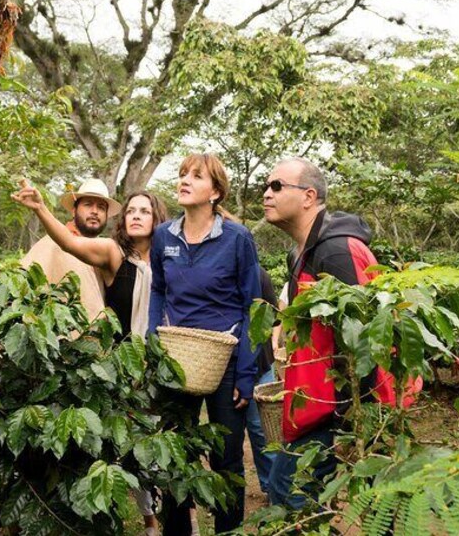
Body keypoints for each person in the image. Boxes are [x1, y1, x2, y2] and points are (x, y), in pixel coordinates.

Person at [12, 183, 168, 535]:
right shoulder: (112, 253)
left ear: (157, 219)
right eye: (131, 211)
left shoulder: (165, 260)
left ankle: (163, 518)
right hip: (112, 365)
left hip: (155, 363)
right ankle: (131, 519)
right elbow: (67, 245)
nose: (136, 216)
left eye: (144, 211)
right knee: (115, 442)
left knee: (153, 442)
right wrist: (40, 209)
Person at [148, 153, 262, 535]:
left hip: (224, 359)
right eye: (183, 174)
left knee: (226, 457)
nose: (184, 181)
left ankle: (228, 530)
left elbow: (252, 306)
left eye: (196, 176)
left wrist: (245, 372)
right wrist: (153, 339)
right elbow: (159, 290)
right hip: (177, 357)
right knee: (174, 453)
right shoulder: (163, 236)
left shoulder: (237, 238)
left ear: (215, 192)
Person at [262, 157, 382, 509]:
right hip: (319, 404)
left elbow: (363, 340)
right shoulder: (298, 253)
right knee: (292, 490)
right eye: (266, 186)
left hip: (350, 406)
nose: (266, 194)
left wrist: (353, 423)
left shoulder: (337, 250)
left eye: (277, 186)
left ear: (308, 196)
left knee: (374, 501)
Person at [18, 178, 120, 319]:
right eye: (88, 205)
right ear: (74, 211)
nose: (95, 211)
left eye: (101, 207)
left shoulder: (106, 251)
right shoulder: (52, 244)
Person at [245, 267, 279, 498]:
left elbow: (274, 316)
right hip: (229, 365)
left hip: (261, 362)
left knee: (263, 430)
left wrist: (274, 344)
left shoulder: (258, 275)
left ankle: (273, 488)